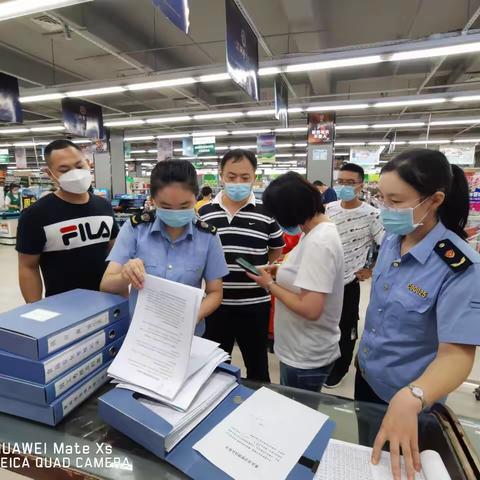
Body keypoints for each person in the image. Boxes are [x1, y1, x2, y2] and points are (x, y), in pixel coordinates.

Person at [356, 149, 480, 480]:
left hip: (411, 401)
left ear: (434, 199)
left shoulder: (459, 267)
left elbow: (457, 356)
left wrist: (414, 396)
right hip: (367, 379)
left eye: (395, 201)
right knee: (365, 459)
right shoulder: (393, 240)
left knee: (397, 471)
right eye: (382, 198)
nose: (385, 209)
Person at [100, 160, 229, 326]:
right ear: (153, 200)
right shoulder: (135, 229)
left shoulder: (207, 236)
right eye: (166, 206)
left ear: (195, 197)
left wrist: (192, 317)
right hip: (139, 333)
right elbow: (106, 285)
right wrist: (126, 275)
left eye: (184, 206)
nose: (175, 213)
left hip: (187, 335)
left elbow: (215, 292)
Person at [247, 172, 344, 392]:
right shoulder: (313, 233)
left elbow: (310, 308)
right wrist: (278, 271)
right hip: (301, 347)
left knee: (299, 416)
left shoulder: (319, 241)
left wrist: (269, 285)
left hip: (305, 354)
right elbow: (310, 276)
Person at [199, 149, 285, 382]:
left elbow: (276, 248)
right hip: (216, 304)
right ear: (221, 176)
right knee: (216, 366)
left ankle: (259, 412)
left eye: (245, 177)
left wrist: (262, 264)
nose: (238, 182)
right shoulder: (204, 213)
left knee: (257, 365)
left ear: (254, 177)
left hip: (254, 304)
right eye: (232, 176)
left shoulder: (267, 213)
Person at [15, 140, 118, 303]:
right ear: (50, 174)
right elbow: (28, 267)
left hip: (106, 301)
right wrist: (35, 308)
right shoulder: (35, 215)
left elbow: (115, 253)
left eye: (79, 166)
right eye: (64, 170)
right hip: (62, 306)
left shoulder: (103, 206)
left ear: (88, 164)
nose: (75, 173)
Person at [324, 163, 384, 388]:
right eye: (342, 182)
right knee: (324, 324)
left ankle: (340, 368)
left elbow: (386, 246)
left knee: (346, 327)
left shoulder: (372, 214)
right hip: (323, 279)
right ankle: (326, 362)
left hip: (349, 282)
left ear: (361, 185)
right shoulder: (328, 209)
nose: (345, 187)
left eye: (351, 183)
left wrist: (371, 269)